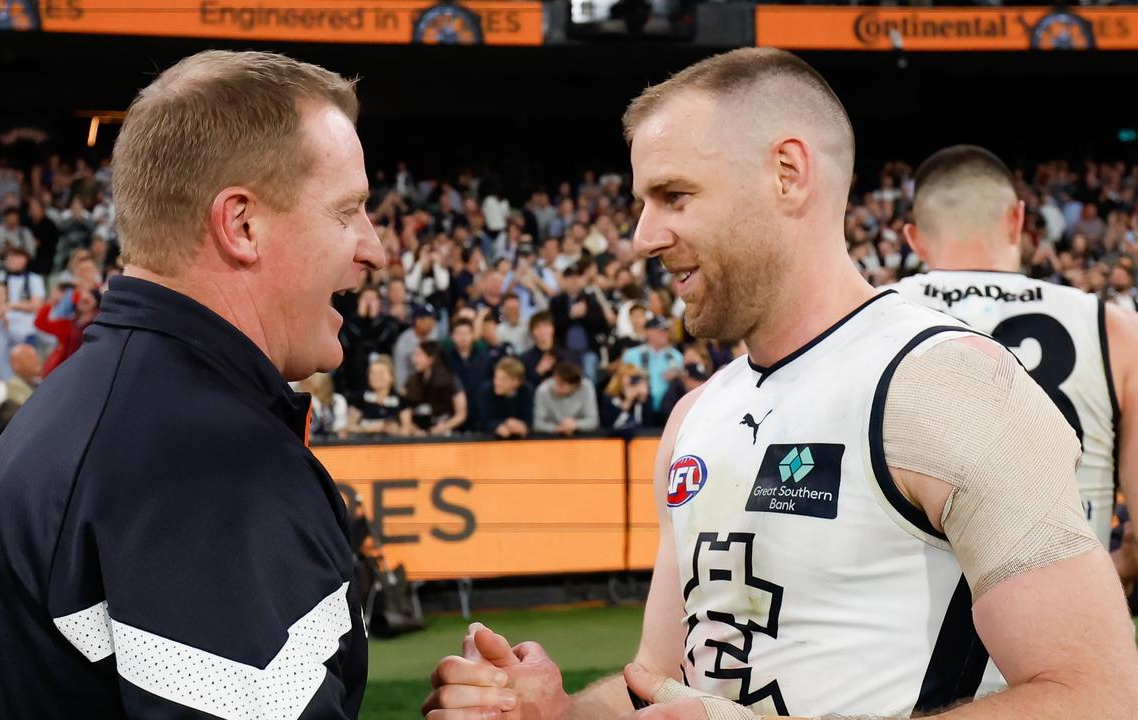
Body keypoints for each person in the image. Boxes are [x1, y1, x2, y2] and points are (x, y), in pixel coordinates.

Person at [423, 48, 1138, 720]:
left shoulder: (947, 384)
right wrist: (559, 711)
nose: (642, 235)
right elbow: (662, 678)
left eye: (674, 194)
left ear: (788, 174)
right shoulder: (695, 418)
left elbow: (1098, 697)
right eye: (643, 201)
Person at [0, 50, 385, 719]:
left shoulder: (88, 402)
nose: (373, 247)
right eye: (349, 209)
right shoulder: (209, 462)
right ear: (241, 224)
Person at [891, 144, 1138, 596]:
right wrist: (1111, 573)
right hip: (1065, 619)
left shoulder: (866, 314)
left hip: (918, 638)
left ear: (913, 238)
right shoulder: (1113, 327)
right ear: (1018, 219)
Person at [401, 341, 467, 437]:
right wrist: (413, 429)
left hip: (445, 435)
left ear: (431, 359)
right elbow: (403, 409)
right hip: (417, 436)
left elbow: (461, 414)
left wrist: (445, 426)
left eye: (418, 355)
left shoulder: (451, 380)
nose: (414, 359)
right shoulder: (411, 381)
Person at [620, 317, 683, 412]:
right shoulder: (631, 355)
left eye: (666, 330)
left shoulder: (676, 356)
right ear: (648, 332)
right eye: (660, 330)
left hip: (669, 409)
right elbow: (621, 382)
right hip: (640, 407)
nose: (664, 334)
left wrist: (677, 375)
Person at [532, 361, 599, 436]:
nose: (555, 386)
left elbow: (593, 421)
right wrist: (557, 428)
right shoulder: (543, 390)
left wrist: (576, 424)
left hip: (579, 432)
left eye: (561, 384)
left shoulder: (586, 387)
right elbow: (538, 424)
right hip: (552, 434)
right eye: (555, 381)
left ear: (575, 386)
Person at [476, 357, 534, 439]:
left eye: (503, 379)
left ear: (516, 382)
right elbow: (483, 420)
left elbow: (528, 420)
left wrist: (523, 426)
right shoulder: (486, 391)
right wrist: (500, 424)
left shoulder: (526, 391)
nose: (497, 382)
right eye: (496, 377)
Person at [347, 354, 403, 437]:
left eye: (381, 373)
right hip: (366, 446)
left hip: (394, 446)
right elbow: (349, 427)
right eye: (372, 373)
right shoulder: (361, 398)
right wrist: (369, 428)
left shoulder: (400, 400)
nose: (376, 377)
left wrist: (395, 430)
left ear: (392, 377)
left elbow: (407, 430)